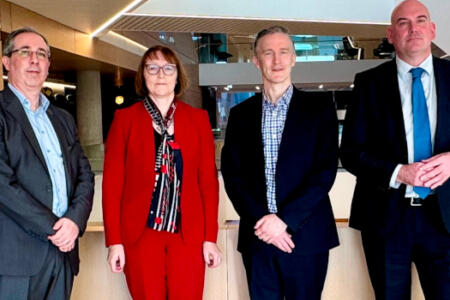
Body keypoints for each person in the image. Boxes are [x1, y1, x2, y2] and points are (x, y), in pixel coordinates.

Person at [340, 0, 450, 298]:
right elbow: (350, 152)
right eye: (403, 22)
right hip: (386, 220)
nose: (413, 28)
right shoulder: (368, 84)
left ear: (432, 29)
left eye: (420, 20)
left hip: (445, 220)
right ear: (391, 34)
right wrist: (399, 172)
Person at [221, 26, 339, 300]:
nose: (277, 60)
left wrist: (283, 221)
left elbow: (324, 173)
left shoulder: (320, 109)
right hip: (259, 237)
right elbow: (233, 176)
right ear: (256, 60)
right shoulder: (240, 115)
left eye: (284, 52)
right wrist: (265, 222)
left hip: (307, 237)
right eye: (268, 53)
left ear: (294, 58)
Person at [102, 45, 221, 300]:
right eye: (152, 68)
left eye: (168, 68)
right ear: (143, 75)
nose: (160, 75)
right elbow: (112, 185)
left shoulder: (197, 119)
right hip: (140, 235)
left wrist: (210, 238)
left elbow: (208, 184)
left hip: (187, 236)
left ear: (178, 76)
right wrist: (115, 242)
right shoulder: (125, 120)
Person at [0, 27, 94, 300]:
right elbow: (4, 186)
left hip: (63, 255)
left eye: (42, 54)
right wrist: (55, 228)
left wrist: (74, 222)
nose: (34, 60)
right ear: (6, 62)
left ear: (48, 65)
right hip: (16, 258)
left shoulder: (63, 118)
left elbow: (84, 176)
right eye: (25, 52)